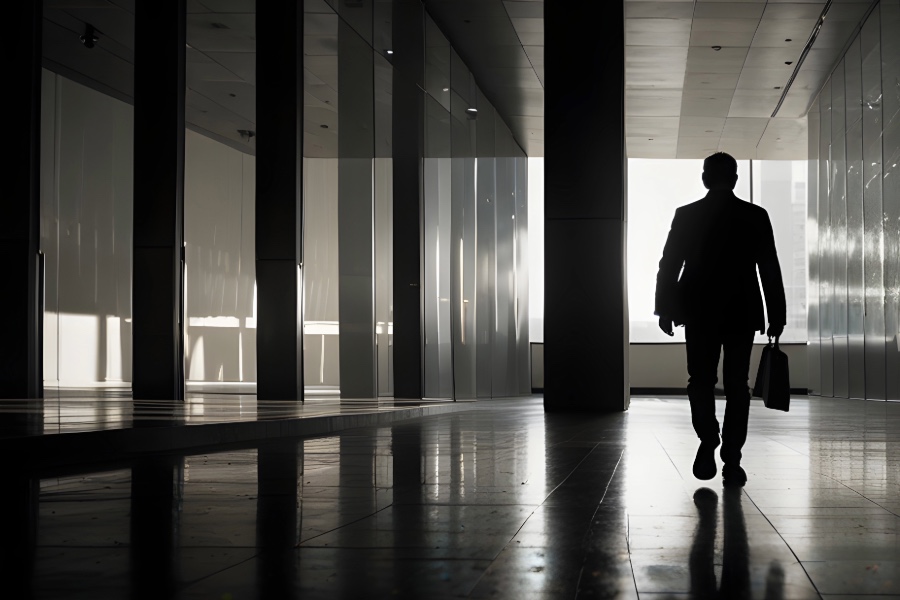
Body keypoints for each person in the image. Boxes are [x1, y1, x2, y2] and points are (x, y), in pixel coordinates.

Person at [654, 152, 786, 486]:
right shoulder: (754, 215)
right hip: (742, 312)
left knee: (699, 381)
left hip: (699, 312)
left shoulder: (687, 215)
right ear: (736, 179)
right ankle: (732, 458)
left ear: (705, 178)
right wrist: (777, 314)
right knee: (737, 386)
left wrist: (665, 309)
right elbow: (769, 267)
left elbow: (669, 265)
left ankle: (708, 439)